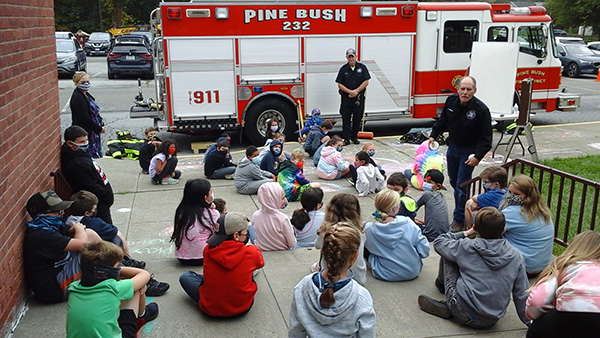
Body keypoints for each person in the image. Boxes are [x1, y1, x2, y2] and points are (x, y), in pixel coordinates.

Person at [417, 207, 531, 329]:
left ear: (475, 228)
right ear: (503, 230)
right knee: (455, 254)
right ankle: (454, 306)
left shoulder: (466, 246)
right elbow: (521, 293)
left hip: (463, 311)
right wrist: (529, 322)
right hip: (492, 319)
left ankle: (444, 289)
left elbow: (439, 243)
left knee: (448, 253)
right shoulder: (516, 256)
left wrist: (465, 233)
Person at [289, 222, 376, 338]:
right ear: (355, 256)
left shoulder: (303, 287)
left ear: (324, 252)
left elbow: (295, 332)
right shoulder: (361, 297)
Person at [428, 76, 492, 231]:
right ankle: (466, 206)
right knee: (453, 181)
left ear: (474, 91)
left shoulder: (481, 110)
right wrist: (433, 135)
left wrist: (477, 157)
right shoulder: (451, 101)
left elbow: (487, 138)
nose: (465, 92)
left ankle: (459, 220)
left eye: (469, 89)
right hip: (453, 149)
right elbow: (443, 120)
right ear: (458, 89)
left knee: (462, 185)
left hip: (469, 151)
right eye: (462, 89)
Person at [179, 212, 265, 317]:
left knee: (186, 277)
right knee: (248, 272)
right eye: (245, 232)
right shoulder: (251, 251)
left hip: (210, 309)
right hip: (242, 308)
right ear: (236, 235)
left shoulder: (208, 250)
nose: (246, 235)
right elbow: (260, 264)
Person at [66, 241, 159, 338]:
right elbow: (144, 275)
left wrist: (110, 270)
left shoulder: (73, 288)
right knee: (134, 285)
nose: (119, 268)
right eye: (117, 266)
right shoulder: (114, 288)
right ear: (105, 271)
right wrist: (117, 271)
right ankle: (141, 316)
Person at [23, 191, 102, 303]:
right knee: (89, 255)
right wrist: (79, 229)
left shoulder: (50, 226)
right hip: (53, 290)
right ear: (42, 214)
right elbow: (82, 244)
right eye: (57, 211)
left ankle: (119, 263)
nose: (61, 214)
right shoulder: (41, 234)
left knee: (89, 234)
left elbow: (68, 230)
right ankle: (116, 271)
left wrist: (74, 230)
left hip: (61, 271)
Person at [526, 230, 600, 338]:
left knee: (538, 328)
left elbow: (537, 301)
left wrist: (535, 316)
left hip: (569, 314)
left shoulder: (565, 266)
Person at [66, 190, 145, 269]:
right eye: (94, 209)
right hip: (96, 253)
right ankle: (126, 260)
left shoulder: (66, 220)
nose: (95, 211)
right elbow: (113, 231)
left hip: (77, 254)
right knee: (117, 235)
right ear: (87, 213)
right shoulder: (94, 223)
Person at [364, 189, 430, 282]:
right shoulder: (407, 223)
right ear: (395, 207)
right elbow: (424, 251)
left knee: (362, 242)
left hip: (384, 273)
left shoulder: (369, 228)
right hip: (412, 271)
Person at [500, 174, 554, 277]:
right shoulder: (542, 211)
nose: (511, 196)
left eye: (516, 194)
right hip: (542, 266)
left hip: (523, 268)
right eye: (509, 192)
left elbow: (487, 227)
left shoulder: (513, 212)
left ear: (528, 195)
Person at [61, 125, 114, 224]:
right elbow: (90, 185)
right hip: (97, 205)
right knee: (107, 233)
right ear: (69, 143)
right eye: (81, 142)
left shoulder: (79, 154)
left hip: (101, 203)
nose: (85, 144)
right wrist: (104, 196)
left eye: (86, 140)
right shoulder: (77, 163)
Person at [313, 193, 367, 286]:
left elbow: (317, 246)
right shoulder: (359, 231)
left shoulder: (327, 230)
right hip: (358, 279)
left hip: (330, 275)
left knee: (319, 262)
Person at [171, 179, 220, 266]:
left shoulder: (181, 211)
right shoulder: (212, 213)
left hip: (182, 257)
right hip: (203, 256)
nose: (212, 193)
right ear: (205, 198)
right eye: (210, 192)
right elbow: (219, 232)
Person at [336, 48, 371, 146]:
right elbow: (339, 84)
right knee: (346, 118)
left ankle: (354, 137)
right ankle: (346, 138)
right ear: (346, 57)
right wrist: (350, 92)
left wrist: (356, 91)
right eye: (349, 56)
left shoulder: (362, 67)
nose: (351, 58)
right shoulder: (343, 69)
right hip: (346, 97)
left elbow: (366, 81)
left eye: (352, 56)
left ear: (356, 56)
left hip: (358, 98)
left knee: (357, 118)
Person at [70, 71, 106, 158]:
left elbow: (95, 113)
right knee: (88, 155)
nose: (86, 84)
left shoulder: (86, 95)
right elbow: (84, 118)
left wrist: (101, 124)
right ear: (76, 83)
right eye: (82, 82)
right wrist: (98, 129)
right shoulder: (77, 97)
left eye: (87, 82)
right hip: (86, 131)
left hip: (93, 131)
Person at [252, 182, 297, 251]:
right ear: (273, 199)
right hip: (282, 252)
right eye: (282, 198)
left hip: (262, 251)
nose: (285, 200)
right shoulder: (283, 219)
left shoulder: (255, 215)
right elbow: (292, 243)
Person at [415, 169, 450, 242]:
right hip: (445, 234)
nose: (425, 183)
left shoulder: (427, 195)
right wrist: (425, 222)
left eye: (429, 182)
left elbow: (412, 209)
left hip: (430, 235)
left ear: (438, 186)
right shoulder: (442, 196)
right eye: (424, 181)